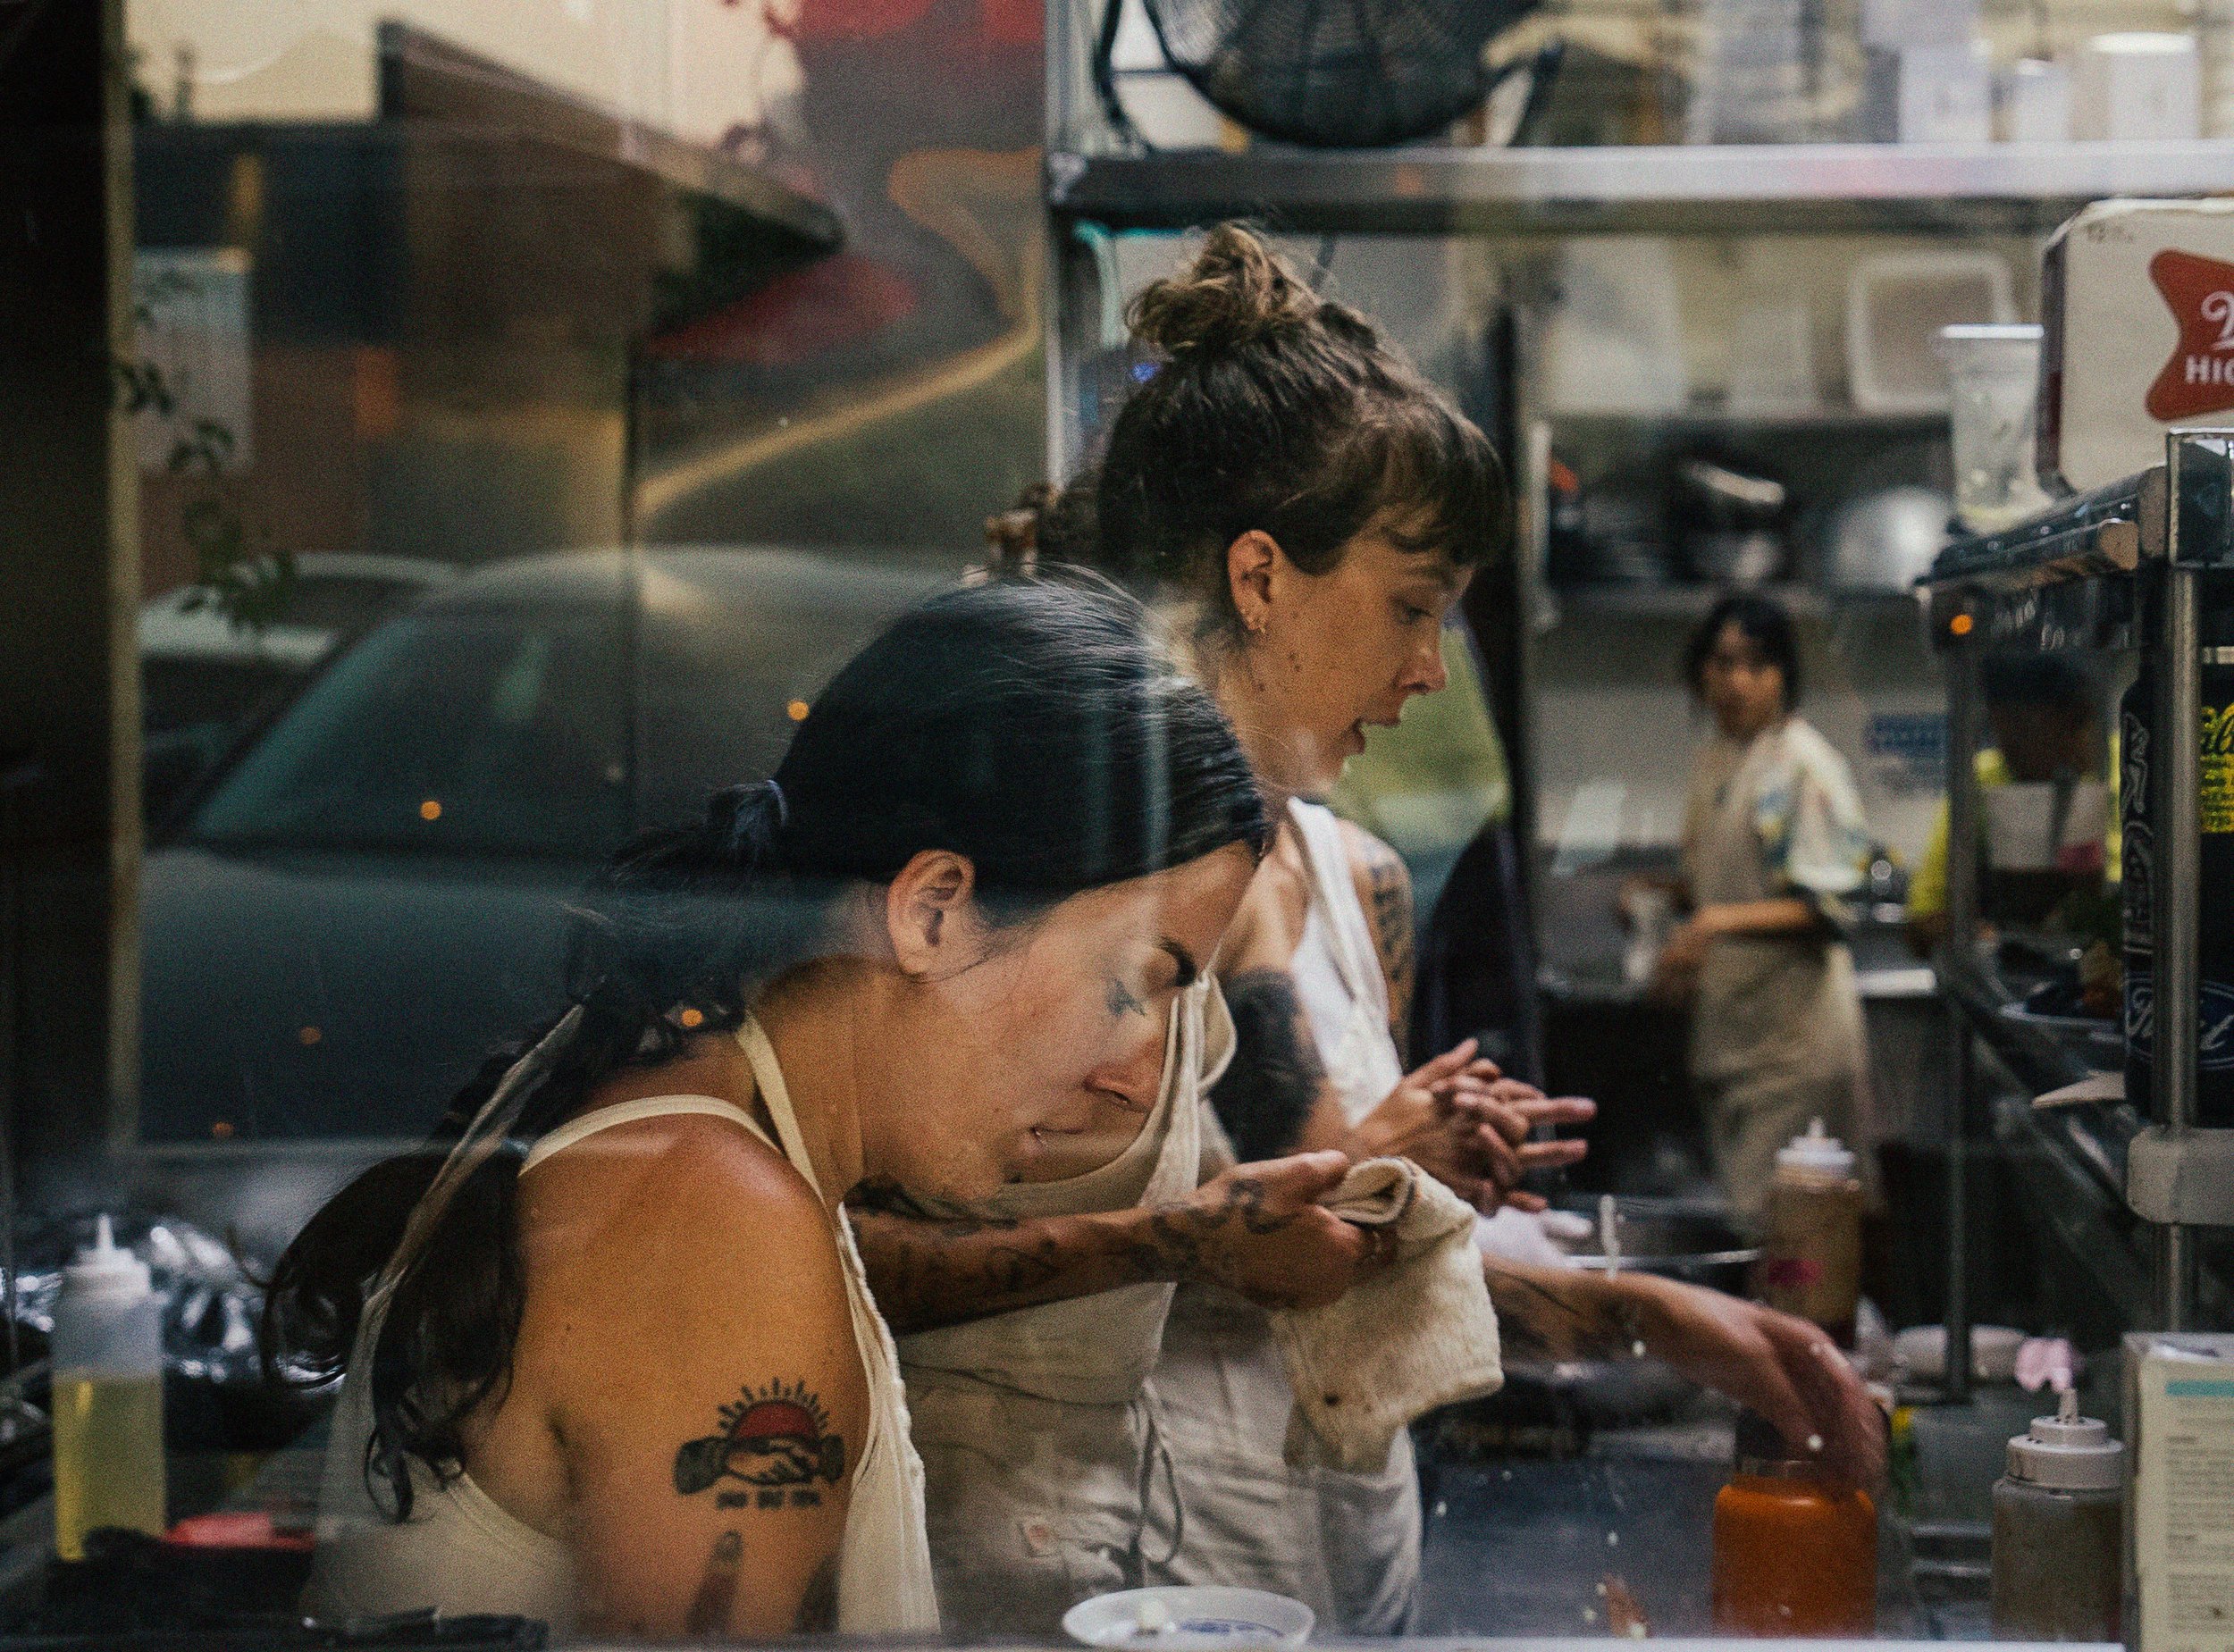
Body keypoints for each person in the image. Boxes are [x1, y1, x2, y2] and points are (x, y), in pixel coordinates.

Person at [861, 228, 1882, 1634]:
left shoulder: (1357, 876)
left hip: (1333, 1558)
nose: (1426, 671)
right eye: (1412, 609)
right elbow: (842, 1254)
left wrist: (1653, 1315)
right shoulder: (1035, 878)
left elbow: (1354, 1257)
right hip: (1056, 1581)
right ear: (1260, 575)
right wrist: (1215, 1227)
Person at [263, 579, 1295, 1639]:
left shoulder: (680, 1088)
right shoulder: (718, 1224)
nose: (1132, 1074)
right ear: (933, 910)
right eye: (1133, 984)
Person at [1644, 591, 1874, 1229]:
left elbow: (1829, 907)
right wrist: (1663, 895)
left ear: (1784, 676)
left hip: (1794, 1049)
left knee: (1791, 1240)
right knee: (1759, 1230)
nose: (1736, 682)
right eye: (1722, 663)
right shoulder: (1719, 756)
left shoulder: (1803, 766)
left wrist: (1711, 924)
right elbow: (1727, 881)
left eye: (1757, 664)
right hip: (1735, 1034)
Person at [1906, 653, 2117, 956]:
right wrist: (1987, 934)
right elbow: (1920, 924)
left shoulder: (2123, 772)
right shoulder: (1980, 781)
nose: (2010, 745)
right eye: (2004, 729)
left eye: (2025, 729)